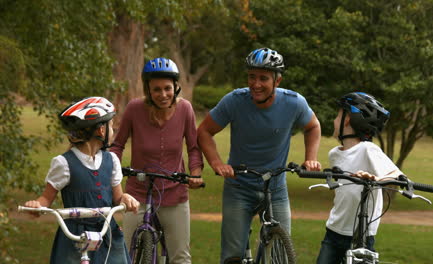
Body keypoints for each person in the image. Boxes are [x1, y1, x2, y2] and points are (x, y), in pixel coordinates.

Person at [197, 47, 322, 263]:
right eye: (251, 77)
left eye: (263, 78)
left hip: (276, 188)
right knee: (233, 255)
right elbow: (204, 131)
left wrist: (310, 157)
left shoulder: (294, 103)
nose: (256, 84)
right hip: (239, 187)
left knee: (280, 255)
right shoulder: (234, 101)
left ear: (277, 81)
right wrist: (216, 162)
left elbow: (313, 126)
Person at [23, 96, 140, 264]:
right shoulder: (64, 164)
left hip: (106, 233)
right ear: (101, 130)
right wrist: (36, 206)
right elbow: (46, 199)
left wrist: (126, 198)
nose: (113, 130)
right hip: (75, 238)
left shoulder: (111, 160)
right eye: (111, 126)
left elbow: (117, 198)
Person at [110, 57, 204, 263]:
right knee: (125, 254)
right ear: (148, 91)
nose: (163, 95)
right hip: (137, 194)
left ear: (176, 87)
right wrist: (113, 170)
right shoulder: (135, 109)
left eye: (167, 88)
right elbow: (117, 145)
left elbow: (194, 147)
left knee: (180, 257)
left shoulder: (185, 109)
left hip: (174, 193)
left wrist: (195, 173)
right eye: (157, 89)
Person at [316, 92, 403, 264]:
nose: (334, 120)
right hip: (334, 230)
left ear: (347, 119)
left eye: (337, 115)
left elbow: (396, 175)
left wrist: (375, 179)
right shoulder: (334, 154)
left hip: (361, 234)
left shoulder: (367, 149)